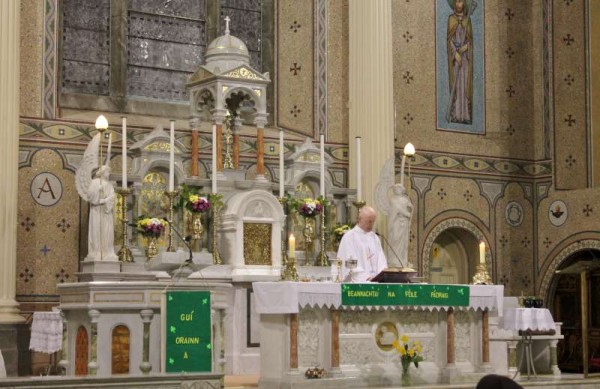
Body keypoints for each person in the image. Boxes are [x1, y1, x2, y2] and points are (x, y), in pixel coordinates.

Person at [336, 206, 387, 282]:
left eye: (373, 221)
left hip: (376, 282)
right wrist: (366, 278)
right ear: (359, 219)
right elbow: (350, 263)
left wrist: (379, 276)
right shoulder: (349, 237)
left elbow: (381, 261)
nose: (371, 225)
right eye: (369, 221)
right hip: (358, 283)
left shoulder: (375, 238)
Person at [446, 0, 474, 124]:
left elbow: (471, 41)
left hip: (465, 60)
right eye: (456, 1)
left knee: (464, 85)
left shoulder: (468, 21)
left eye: (461, 1)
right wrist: (455, 53)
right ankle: (456, 115)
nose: (458, 4)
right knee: (456, 86)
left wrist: (464, 48)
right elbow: (449, 40)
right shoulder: (450, 19)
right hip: (455, 59)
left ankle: (465, 116)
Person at [85, 165, 118, 261]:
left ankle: (107, 251)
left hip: (106, 213)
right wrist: (97, 192)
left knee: (107, 231)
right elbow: (90, 196)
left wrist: (105, 200)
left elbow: (112, 197)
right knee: (97, 231)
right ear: (102, 173)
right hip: (97, 211)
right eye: (107, 172)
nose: (109, 174)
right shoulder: (95, 182)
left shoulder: (110, 185)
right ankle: (96, 251)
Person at [388, 184, 413, 267]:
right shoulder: (392, 200)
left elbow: (411, 207)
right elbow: (396, 208)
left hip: (404, 222)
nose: (397, 190)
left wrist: (411, 208)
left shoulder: (405, 200)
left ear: (402, 190)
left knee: (403, 242)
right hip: (395, 222)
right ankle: (393, 260)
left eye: (399, 188)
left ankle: (403, 260)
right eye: (395, 188)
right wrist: (406, 213)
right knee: (395, 239)